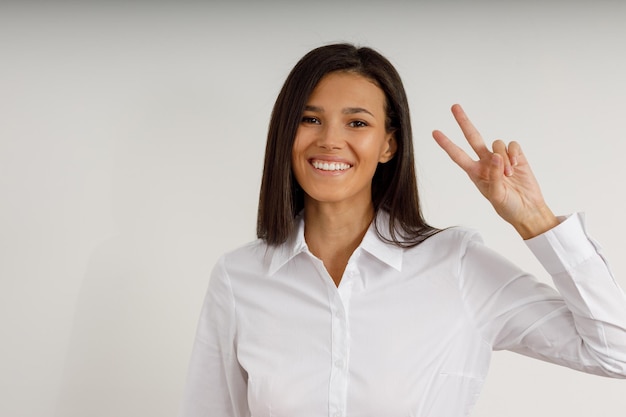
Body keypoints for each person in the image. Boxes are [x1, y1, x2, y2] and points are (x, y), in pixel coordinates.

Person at [180, 43, 626, 417]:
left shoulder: (456, 264)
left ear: (388, 144)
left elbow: (615, 353)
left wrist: (536, 221)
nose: (330, 140)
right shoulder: (240, 278)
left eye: (357, 122)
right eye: (310, 119)